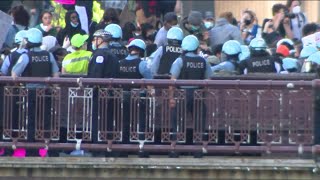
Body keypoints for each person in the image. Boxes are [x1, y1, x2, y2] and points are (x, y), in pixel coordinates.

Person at [11, 28, 59, 157]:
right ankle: (50, 149)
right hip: (46, 92)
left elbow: (14, 74)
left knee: (31, 121)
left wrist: (19, 85)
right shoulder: (48, 55)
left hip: (31, 93)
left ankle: (32, 150)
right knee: (46, 120)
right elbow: (56, 75)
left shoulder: (25, 56)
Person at [169, 35, 212, 153]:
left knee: (177, 122)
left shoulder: (180, 60)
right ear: (196, 48)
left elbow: (172, 80)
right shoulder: (203, 61)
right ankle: (198, 151)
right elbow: (208, 81)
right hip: (198, 94)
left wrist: (171, 98)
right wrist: (204, 94)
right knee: (199, 123)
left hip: (181, 94)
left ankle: (175, 150)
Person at [118, 39, 151, 156]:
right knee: (141, 123)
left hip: (123, 96)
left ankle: (123, 149)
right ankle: (141, 149)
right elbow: (150, 79)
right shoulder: (141, 64)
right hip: (140, 97)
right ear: (141, 52)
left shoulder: (120, 63)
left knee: (125, 122)